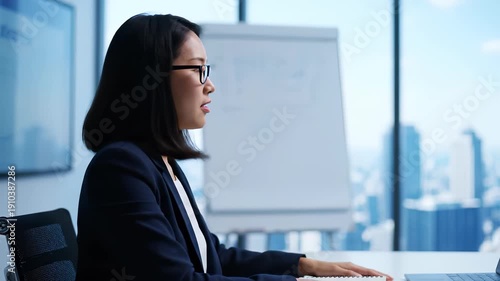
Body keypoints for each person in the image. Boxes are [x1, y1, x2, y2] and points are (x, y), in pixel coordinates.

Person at [76, 13, 393, 281]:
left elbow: (210, 255)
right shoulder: (120, 168)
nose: (209, 84)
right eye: (197, 68)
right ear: (153, 79)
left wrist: (302, 265)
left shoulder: (161, 162)